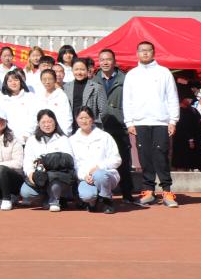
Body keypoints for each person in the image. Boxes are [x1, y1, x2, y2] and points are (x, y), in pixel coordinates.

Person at [123, 41, 180, 208]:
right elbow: (127, 100)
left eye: (148, 50)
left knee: (161, 155)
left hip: (161, 121)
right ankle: (148, 190)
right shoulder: (132, 74)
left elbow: (172, 97)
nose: (145, 53)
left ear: (154, 52)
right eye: (142, 50)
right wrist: (129, 122)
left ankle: (167, 190)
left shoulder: (164, 72)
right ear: (137, 53)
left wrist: (173, 120)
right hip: (140, 122)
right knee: (144, 156)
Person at [92, 48, 134, 203]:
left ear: (114, 62)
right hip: (100, 127)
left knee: (123, 160)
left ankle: (127, 193)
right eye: (102, 59)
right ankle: (99, 194)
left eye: (108, 59)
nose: (105, 62)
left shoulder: (125, 79)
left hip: (119, 126)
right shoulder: (93, 80)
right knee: (99, 161)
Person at [21, 109, 75, 211]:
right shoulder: (32, 140)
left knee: (54, 183)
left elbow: (69, 160)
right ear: (38, 124)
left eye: (50, 121)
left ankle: (55, 201)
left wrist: (50, 163)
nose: (47, 125)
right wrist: (31, 174)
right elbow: (27, 160)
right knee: (25, 192)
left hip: (58, 176)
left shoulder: (63, 139)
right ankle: (46, 198)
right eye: (43, 122)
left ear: (55, 122)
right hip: (39, 176)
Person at [71, 106, 121, 214]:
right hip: (86, 177)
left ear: (92, 119)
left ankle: (107, 199)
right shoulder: (72, 140)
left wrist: (100, 167)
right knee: (87, 196)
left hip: (106, 175)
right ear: (76, 120)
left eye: (87, 117)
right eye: (81, 118)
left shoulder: (105, 136)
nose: (84, 121)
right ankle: (92, 202)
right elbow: (74, 164)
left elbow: (116, 159)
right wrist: (84, 176)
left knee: (99, 175)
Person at [62, 58, 106, 129]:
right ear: (72, 70)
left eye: (82, 69)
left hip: (91, 127)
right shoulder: (66, 87)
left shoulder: (96, 87)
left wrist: (94, 123)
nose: (79, 72)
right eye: (76, 69)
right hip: (71, 127)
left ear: (88, 70)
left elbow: (104, 111)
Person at [31, 68, 73, 135]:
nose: (47, 82)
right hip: (41, 132)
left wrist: (65, 133)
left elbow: (67, 116)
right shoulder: (38, 96)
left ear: (55, 80)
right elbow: (34, 116)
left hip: (58, 132)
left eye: (50, 79)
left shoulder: (61, 95)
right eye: (44, 79)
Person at [0, 71, 34, 144]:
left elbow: (35, 117)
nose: (13, 83)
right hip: (10, 140)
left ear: (21, 81)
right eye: (10, 81)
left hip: (29, 138)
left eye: (16, 80)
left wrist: (27, 134)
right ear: (6, 84)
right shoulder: (2, 99)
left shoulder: (30, 97)